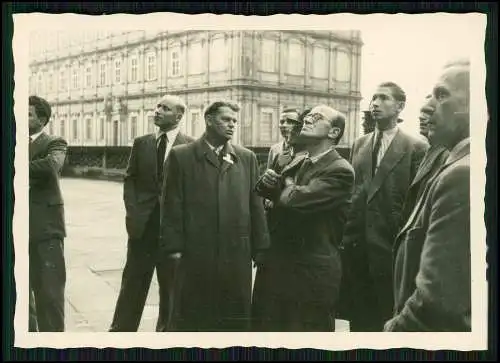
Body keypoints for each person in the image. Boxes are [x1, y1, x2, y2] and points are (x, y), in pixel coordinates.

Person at [159, 100, 270, 332]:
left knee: (234, 318)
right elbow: (171, 205)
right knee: (195, 315)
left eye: (234, 121)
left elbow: (255, 204)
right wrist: (174, 248)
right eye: (226, 120)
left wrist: (260, 246)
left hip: (236, 253)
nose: (232, 125)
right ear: (208, 120)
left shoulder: (246, 157)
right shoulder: (182, 156)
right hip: (196, 252)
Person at [385, 60, 471, 331]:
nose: (425, 107)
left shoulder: (463, 174)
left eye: (441, 94)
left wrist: (392, 332)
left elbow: (436, 303)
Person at [252, 105, 354, 331]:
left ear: (334, 133)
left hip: (309, 276)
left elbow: (294, 201)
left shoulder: (341, 169)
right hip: (278, 267)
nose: (307, 120)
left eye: (316, 118)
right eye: (307, 117)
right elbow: (263, 190)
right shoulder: (297, 159)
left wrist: (283, 184)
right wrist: (269, 180)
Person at [339, 82, 429, 331]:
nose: (375, 103)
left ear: (400, 106)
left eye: (384, 98)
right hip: (358, 250)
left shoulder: (416, 148)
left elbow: (417, 202)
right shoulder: (360, 144)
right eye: (374, 98)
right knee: (359, 321)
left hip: (391, 251)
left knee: (387, 321)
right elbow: (354, 194)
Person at [109, 95, 194, 332]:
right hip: (143, 228)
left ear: (178, 116)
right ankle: (120, 333)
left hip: (172, 232)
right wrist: (134, 214)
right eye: (157, 106)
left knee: (170, 288)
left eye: (164, 108)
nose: (157, 110)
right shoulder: (141, 143)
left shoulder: (190, 147)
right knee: (132, 284)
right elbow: (130, 180)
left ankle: (166, 335)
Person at [29, 95, 68, 332]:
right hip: (17, 229)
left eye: (28, 114)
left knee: (50, 295)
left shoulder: (55, 142)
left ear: (42, 120)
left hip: (46, 229)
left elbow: (51, 166)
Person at [400, 95, 450, 224]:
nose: (421, 117)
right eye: (421, 112)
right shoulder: (429, 150)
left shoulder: (446, 155)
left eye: (428, 112)